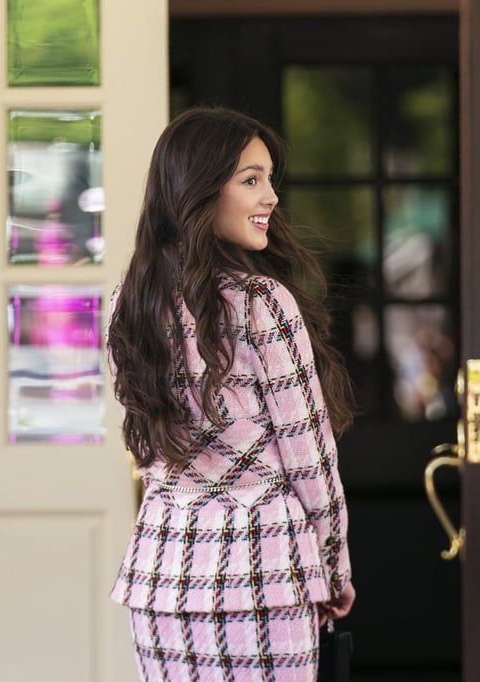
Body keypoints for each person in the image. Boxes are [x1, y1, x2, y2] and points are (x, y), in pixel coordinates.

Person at [105, 106, 357, 681]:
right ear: (198, 190)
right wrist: (333, 569)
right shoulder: (263, 301)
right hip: (264, 577)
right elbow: (309, 458)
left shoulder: (130, 302)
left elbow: (147, 449)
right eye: (250, 180)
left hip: (161, 581)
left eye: (269, 179)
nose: (270, 196)